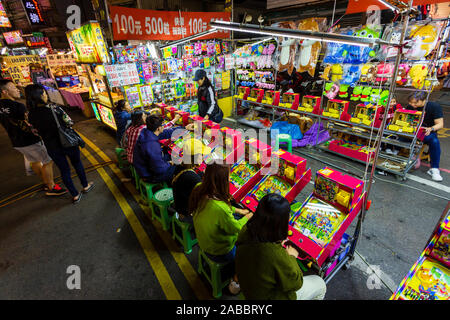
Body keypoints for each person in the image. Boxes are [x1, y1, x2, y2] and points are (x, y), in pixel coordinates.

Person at [235, 193, 327, 300]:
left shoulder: (246, 229)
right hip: (270, 297)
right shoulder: (275, 254)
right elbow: (296, 283)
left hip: (250, 289)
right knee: (320, 283)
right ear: (280, 223)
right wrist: (292, 256)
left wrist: (278, 240)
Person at [189, 163, 253, 294]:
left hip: (203, 241)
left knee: (236, 217)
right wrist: (249, 215)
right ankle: (235, 282)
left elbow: (221, 206)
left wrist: (239, 211)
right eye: (228, 178)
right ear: (222, 181)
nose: (230, 180)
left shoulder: (199, 188)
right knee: (249, 248)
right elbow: (235, 228)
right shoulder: (219, 208)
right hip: (220, 250)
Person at [26, 84, 94, 203]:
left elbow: (35, 132)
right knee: (77, 163)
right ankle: (85, 185)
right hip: (68, 142)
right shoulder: (55, 108)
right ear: (40, 95)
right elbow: (69, 122)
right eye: (44, 93)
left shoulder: (30, 115)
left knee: (64, 170)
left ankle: (75, 194)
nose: (46, 95)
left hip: (51, 146)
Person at [0, 79, 66, 196]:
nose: (16, 89)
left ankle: (46, 182)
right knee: (48, 160)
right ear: (5, 91)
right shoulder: (18, 106)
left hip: (17, 142)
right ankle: (51, 187)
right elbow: (30, 123)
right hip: (30, 140)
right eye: (12, 87)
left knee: (35, 161)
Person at [406, 91, 444, 181]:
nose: (412, 105)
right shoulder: (410, 106)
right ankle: (395, 155)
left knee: (434, 141)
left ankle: (434, 169)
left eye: (415, 103)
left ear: (424, 100)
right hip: (412, 131)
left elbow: (440, 124)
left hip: (427, 132)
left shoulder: (434, 107)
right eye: (411, 102)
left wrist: (431, 129)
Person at [172, 138, 210, 224]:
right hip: (188, 215)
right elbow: (207, 196)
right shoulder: (192, 178)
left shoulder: (181, 165)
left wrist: (201, 174)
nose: (203, 156)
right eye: (201, 154)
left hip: (180, 207)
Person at [133, 115, 178, 185]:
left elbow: (165, 133)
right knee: (177, 166)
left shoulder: (146, 132)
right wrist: (169, 163)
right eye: (162, 125)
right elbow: (159, 169)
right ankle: (172, 186)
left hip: (144, 168)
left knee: (169, 155)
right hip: (150, 175)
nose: (163, 126)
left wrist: (184, 128)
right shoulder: (152, 145)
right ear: (158, 128)